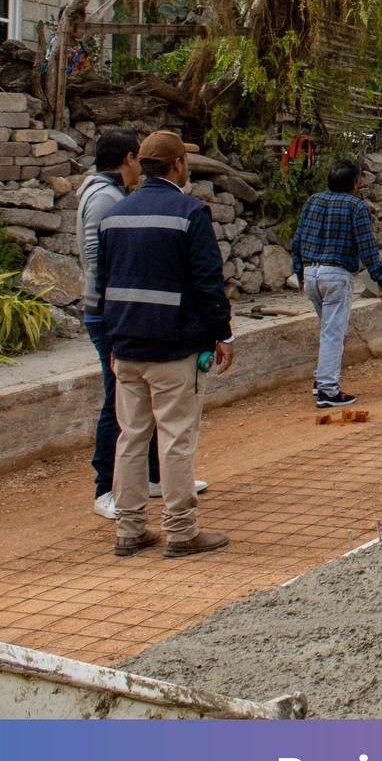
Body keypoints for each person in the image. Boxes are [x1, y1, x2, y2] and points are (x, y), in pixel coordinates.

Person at [96, 130, 233, 559]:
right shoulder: (190, 212)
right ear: (177, 165)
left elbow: (105, 285)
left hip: (126, 345)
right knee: (175, 438)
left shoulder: (115, 216)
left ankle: (130, 528)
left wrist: (111, 341)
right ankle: (180, 530)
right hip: (174, 348)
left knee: (131, 438)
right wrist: (222, 332)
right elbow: (207, 280)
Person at [81, 128, 171, 520]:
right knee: (116, 399)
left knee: (139, 395)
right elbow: (100, 256)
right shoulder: (105, 199)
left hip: (110, 307)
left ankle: (151, 475)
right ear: (129, 160)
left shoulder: (100, 192)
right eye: (137, 160)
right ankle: (105, 487)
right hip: (108, 310)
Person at [289, 158, 382, 408]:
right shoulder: (355, 206)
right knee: (333, 333)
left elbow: (298, 239)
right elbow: (366, 246)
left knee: (327, 329)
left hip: (311, 273)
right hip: (336, 275)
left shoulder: (313, 201)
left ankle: (320, 381)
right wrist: (380, 277)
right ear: (354, 184)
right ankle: (327, 390)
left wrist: (299, 272)